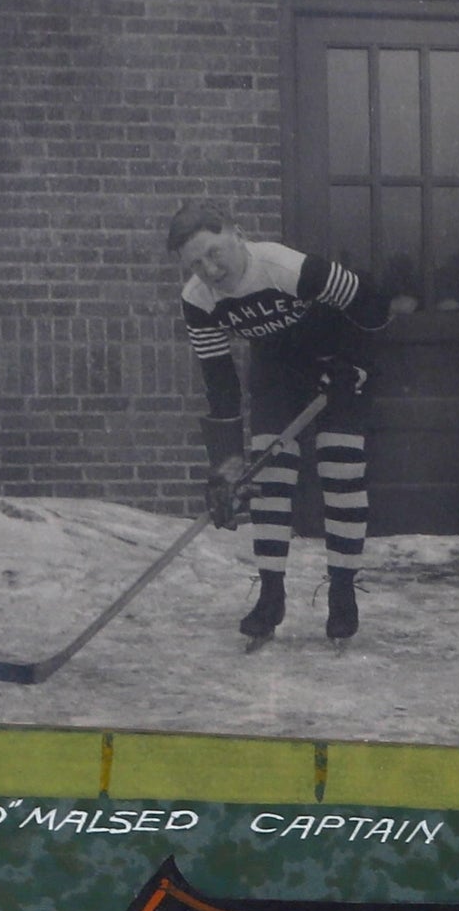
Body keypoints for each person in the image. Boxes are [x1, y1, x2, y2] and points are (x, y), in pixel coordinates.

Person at [167, 201, 391, 642]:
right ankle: (271, 595)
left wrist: (353, 364)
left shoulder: (287, 267)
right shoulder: (197, 301)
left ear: (237, 234)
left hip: (337, 362)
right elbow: (220, 383)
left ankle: (343, 591)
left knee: (341, 468)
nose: (210, 270)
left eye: (214, 252)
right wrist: (227, 466)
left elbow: (373, 306)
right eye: (195, 263)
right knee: (268, 477)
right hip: (277, 371)